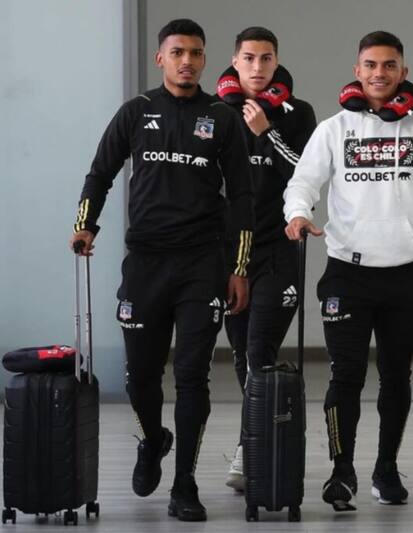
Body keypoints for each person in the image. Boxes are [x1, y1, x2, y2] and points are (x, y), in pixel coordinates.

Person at [69, 18, 254, 522]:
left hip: (201, 263)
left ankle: (186, 484)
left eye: (196, 53)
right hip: (146, 262)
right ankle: (153, 439)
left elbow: (242, 197)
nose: (188, 61)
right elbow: (100, 172)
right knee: (141, 379)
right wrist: (86, 225)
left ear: (204, 58)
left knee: (192, 376)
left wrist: (238, 269)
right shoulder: (136, 112)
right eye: (178, 52)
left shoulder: (222, 117)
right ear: (161, 59)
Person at [283, 30, 413, 512]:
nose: (379, 74)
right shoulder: (333, 129)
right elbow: (302, 182)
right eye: (370, 65)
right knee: (345, 376)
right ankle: (342, 472)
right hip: (348, 272)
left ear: (403, 72)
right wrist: (298, 214)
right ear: (356, 71)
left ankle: (385, 469)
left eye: (389, 65)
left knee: (396, 377)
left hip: (406, 274)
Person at [215, 26, 316, 492]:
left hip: (279, 248)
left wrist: (266, 132)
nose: (257, 67)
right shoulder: (214, 111)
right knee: (243, 357)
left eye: (266, 58)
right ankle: (258, 436)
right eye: (249, 58)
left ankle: (249, 448)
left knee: (260, 350)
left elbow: (306, 175)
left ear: (277, 62)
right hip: (230, 254)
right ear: (235, 61)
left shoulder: (299, 113)